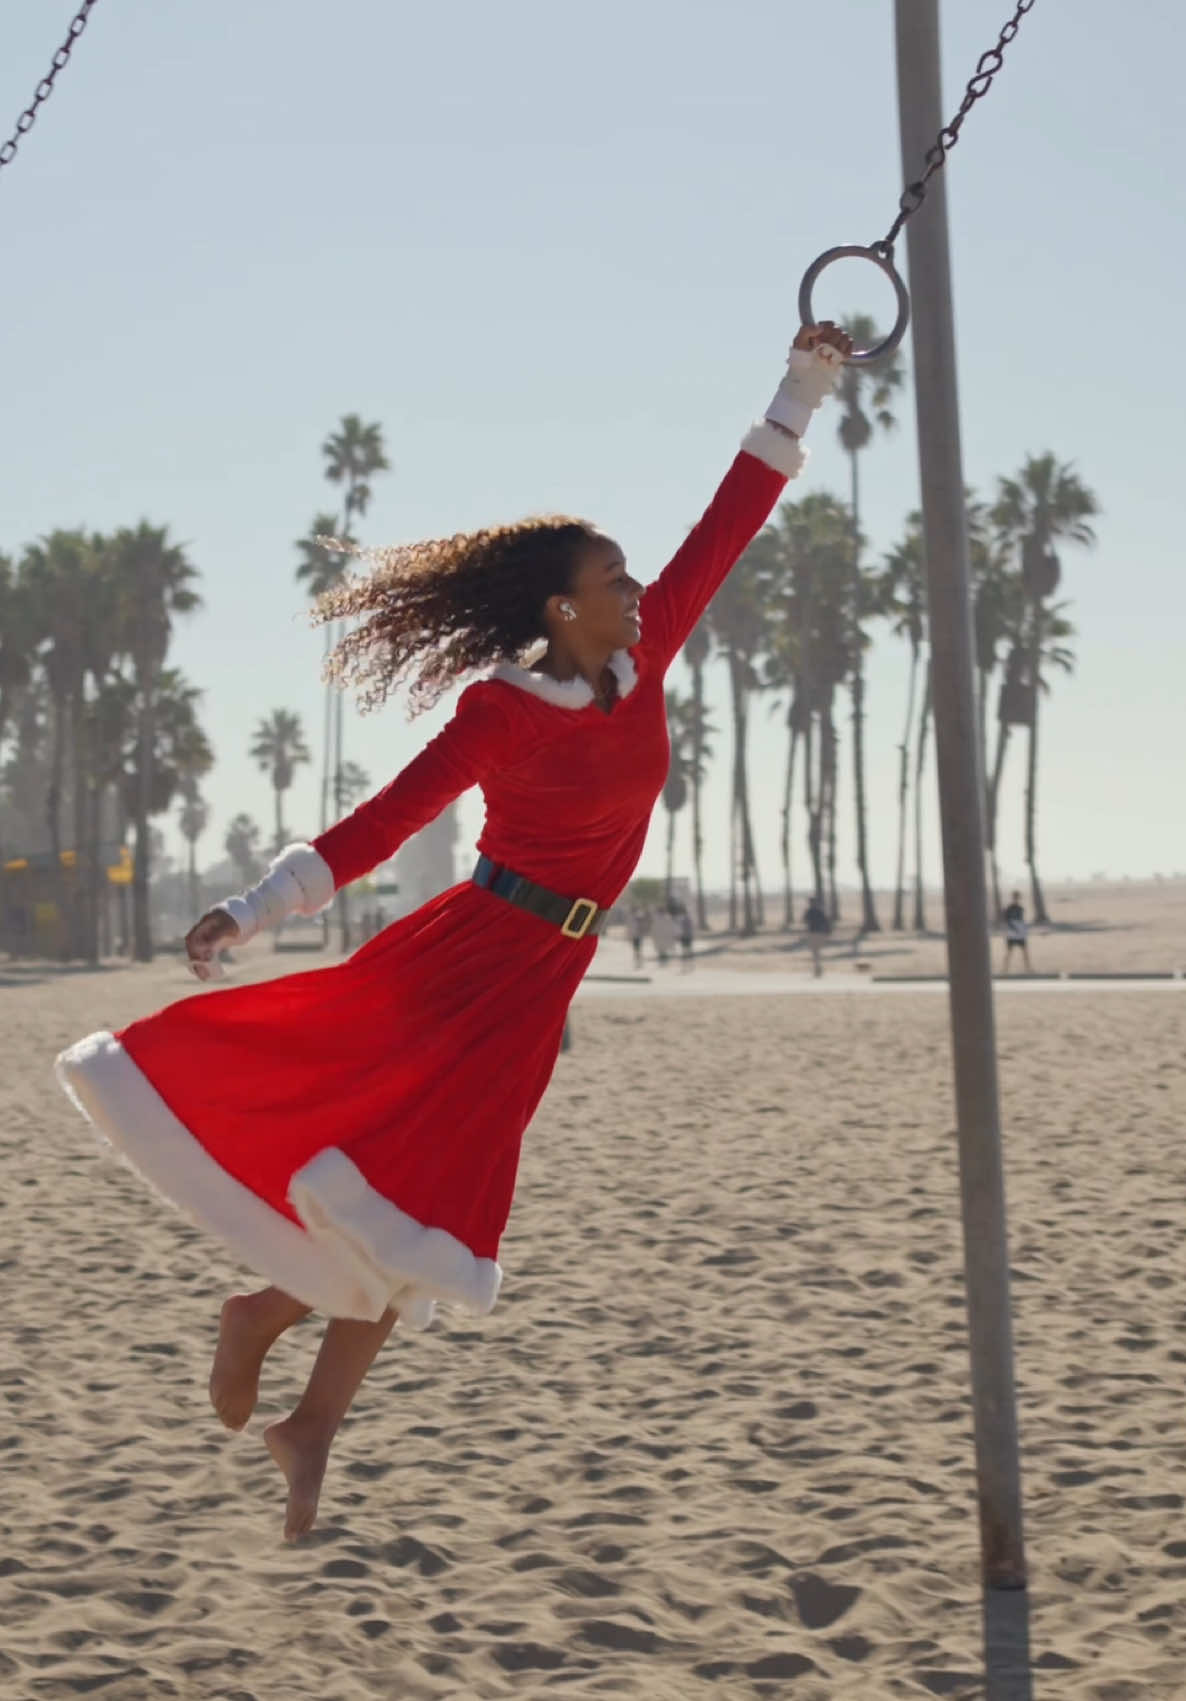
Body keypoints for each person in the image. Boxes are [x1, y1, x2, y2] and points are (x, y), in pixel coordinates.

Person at [55, 321, 851, 1540]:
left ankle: (289, 1369)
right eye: (614, 581)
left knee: (422, 1207)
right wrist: (257, 909)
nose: (638, 592)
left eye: (634, 579)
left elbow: (725, 528)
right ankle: (274, 1346)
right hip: (468, 959)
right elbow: (386, 821)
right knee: (413, 1193)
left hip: (541, 980)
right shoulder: (503, 712)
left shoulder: (639, 663)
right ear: (560, 607)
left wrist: (804, 386)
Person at [1002, 889, 1032, 974]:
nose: (1017, 899)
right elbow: (1006, 920)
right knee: (1009, 952)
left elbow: (1022, 920)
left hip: (1020, 933)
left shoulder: (1020, 908)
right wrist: (1014, 928)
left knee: (1025, 951)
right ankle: (1005, 969)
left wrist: (1023, 929)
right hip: (1012, 933)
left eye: (1018, 897)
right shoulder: (1009, 908)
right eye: (1015, 897)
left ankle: (1028, 969)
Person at [803, 893, 831, 979]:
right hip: (815, 933)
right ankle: (818, 967)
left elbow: (805, 920)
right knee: (816, 952)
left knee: (816, 952)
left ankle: (818, 967)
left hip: (816, 933)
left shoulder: (814, 911)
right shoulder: (817, 911)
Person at [678, 904, 695, 971]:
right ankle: (691, 966)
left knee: (684, 951)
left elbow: (680, 929)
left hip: (684, 936)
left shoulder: (681, 919)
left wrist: (679, 935)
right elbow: (691, 928)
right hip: (688, 936)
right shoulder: (689, 918)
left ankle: (685, 966)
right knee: (689, 950)